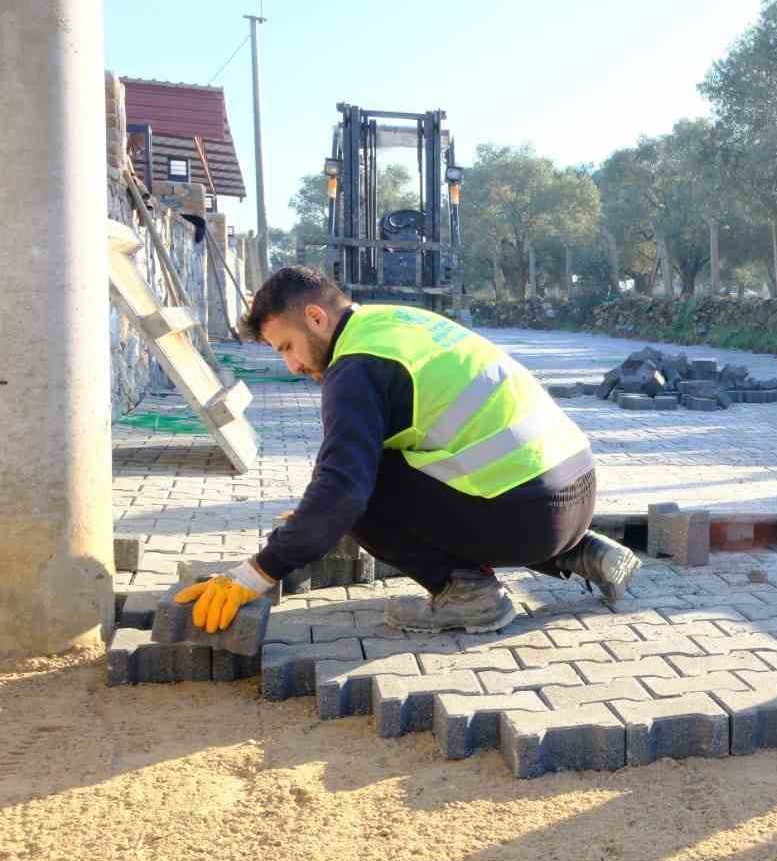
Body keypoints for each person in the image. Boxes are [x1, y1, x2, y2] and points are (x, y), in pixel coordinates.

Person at [176, 266, 641, 635]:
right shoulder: (391, 321)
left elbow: (343, 492)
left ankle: (468, 595)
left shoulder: (354, 368)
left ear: (316, 318)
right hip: (577, 493)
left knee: (360, 495)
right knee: (371, 478)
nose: (293, 365)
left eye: (288, 347)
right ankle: (585, 554)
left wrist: (256, 573)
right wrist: (310, 521)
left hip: (530, 511)